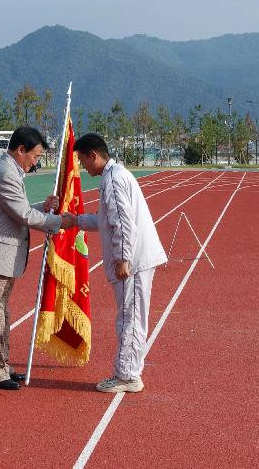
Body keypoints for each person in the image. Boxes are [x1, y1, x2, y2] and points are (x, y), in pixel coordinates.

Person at [0, 126, 73, 390]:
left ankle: (0, 365)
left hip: (0, 259)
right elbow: (22, 216)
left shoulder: (11, 171)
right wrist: (58, 221)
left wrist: (43, 209)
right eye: (35, 156)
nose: (35, 162)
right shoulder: (5, 173)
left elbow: (18, 210)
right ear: (21, 150)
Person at [69, 133, 167, 393]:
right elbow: (105, 220)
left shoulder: (113, 179)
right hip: (135, 257)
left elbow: (123, 222)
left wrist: (123, 259)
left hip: (132, 261)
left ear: (94, 155)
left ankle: (127, 375)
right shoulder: (114, 176)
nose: (83, 167)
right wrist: (76, 220)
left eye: (83, 160)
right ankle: (129, 371)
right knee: (130, 316)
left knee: (130, 317)